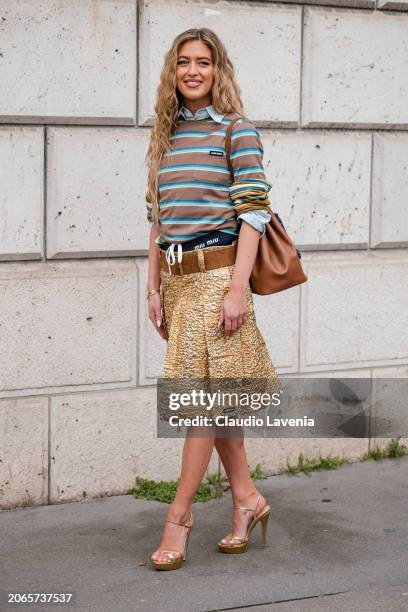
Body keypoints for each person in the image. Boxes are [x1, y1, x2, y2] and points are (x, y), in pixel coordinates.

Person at [144, 27, 281, 571]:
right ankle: (246, 499)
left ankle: (179, 516)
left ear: (217, 69)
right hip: (177, 285)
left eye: (203, 62)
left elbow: (254, 212)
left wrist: (238, 288)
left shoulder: (235, 131)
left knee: (200, 402)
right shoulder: (164, 137)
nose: (193, 71)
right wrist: (153, 288)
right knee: (217, 398)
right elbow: (157, 221)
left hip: (217, 279)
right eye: (183, 62)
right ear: (172, 72)